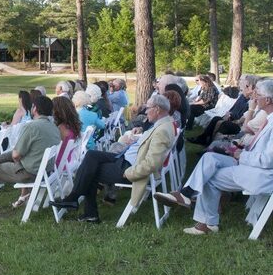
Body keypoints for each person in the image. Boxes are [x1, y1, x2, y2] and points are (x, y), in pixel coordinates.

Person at [153, 79, 273, 235]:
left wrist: (242, 155)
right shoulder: (269, 119)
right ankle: (186, 195)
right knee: (209, 158)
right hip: (250, 164)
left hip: (261, 174)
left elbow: (268, 160)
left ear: (268, 100)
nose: (254, 97)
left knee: (209, 178)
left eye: (258, 94)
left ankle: (207, 223)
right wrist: (242, 148)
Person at [50, 94, 175, 224]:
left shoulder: (162, 131)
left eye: (147, 108)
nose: (145, 111)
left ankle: (83, 207)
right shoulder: (163, 125)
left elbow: (151, 164)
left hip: (129, 167)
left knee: (90, 171)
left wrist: (129, 173)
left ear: (157, 109)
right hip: (125, 158)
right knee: (91, 155)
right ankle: (75, 200)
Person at [0, 96, 61, 219]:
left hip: (29, 171)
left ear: (35, 108)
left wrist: (17, 158)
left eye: (32, 106)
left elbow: (16, 155)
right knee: (10, 153)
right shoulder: (53, 127)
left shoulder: (32, 126)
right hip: (45, 170)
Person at [188, 75, 256, 146]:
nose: (241, 85)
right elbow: (234, 108)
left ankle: (207, 142)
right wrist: (228, 113)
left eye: (244, 85)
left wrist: (232, 117)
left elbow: (243, 117)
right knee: (216, 119)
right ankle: (202, 138)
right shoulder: (242, 96)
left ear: (250, 87)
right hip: (231, 117)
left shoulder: (251, 101)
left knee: (220, 123)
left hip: (238, 123)